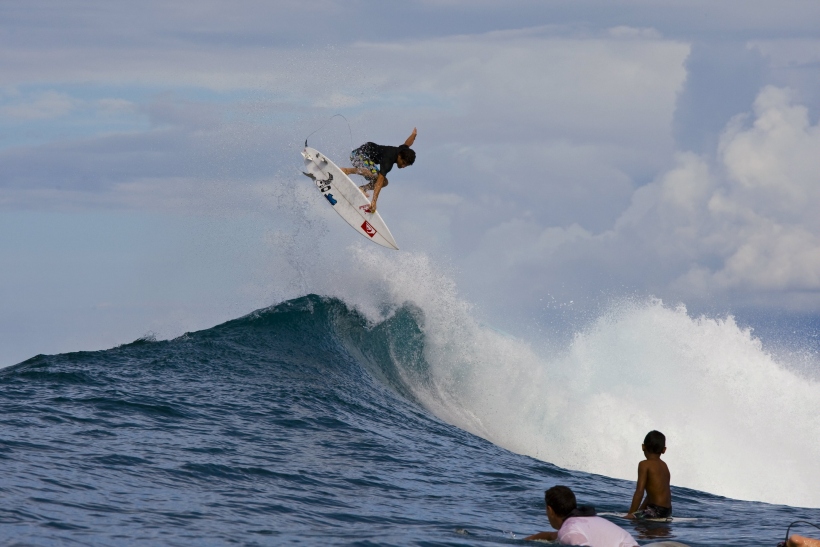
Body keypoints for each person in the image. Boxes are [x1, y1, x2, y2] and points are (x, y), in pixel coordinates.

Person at [525, 485, 638, 546]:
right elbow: (551, 536)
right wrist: (527, 540)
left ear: (550, 510)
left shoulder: (569, 530)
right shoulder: (587, 519)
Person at [341, 128, 417, 214]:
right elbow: (379, 182)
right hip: (358, 155)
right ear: (399, 157)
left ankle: (362, 189)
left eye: (406, 165)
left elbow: (407, 144)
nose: (403, 166)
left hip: (366, 158)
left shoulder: (402, 151)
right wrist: (374, 201)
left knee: (385, 182)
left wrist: (413, 135)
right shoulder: (388, 160)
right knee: (375, 176)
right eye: (403, 163)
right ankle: (346, 170)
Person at [627, 430, 672, 520]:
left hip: (655, 511)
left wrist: (630, 514)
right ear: (664, 450)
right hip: (667, 511)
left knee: (627, 521)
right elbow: (651, 494)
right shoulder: (664, 465)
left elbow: (639, 492)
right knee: (643, 531)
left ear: (643, 447)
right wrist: (639, 511)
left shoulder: (644, 464)